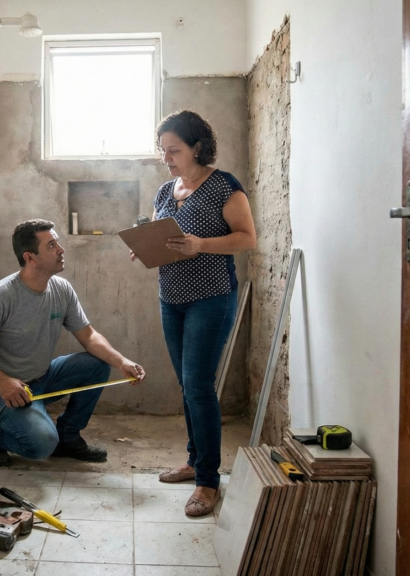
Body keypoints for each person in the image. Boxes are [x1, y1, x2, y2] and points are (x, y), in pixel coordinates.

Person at [136, 110, 257, 517]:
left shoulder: (224, 187)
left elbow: (246, 238)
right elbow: (160, 236)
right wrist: (145, 247)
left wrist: (200, 244)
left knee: (199, 386)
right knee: (187, 387)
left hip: (212, 297)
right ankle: (194, 460)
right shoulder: (165, 191)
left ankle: (208, 481)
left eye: (174, 150)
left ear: (198, 148)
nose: (167, 157)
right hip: (171, 297)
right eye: (162, 151)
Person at [0, 218, 146, 467]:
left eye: (58, 243)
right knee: (41, 445)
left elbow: (88, 336)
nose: (61, 249)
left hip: (41, 377)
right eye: (51, 245)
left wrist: (122, 362)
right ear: (30, 257)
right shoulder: (0, 296)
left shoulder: (61, 289)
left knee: (98, 365)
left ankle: (67, 438)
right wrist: (2, 381)